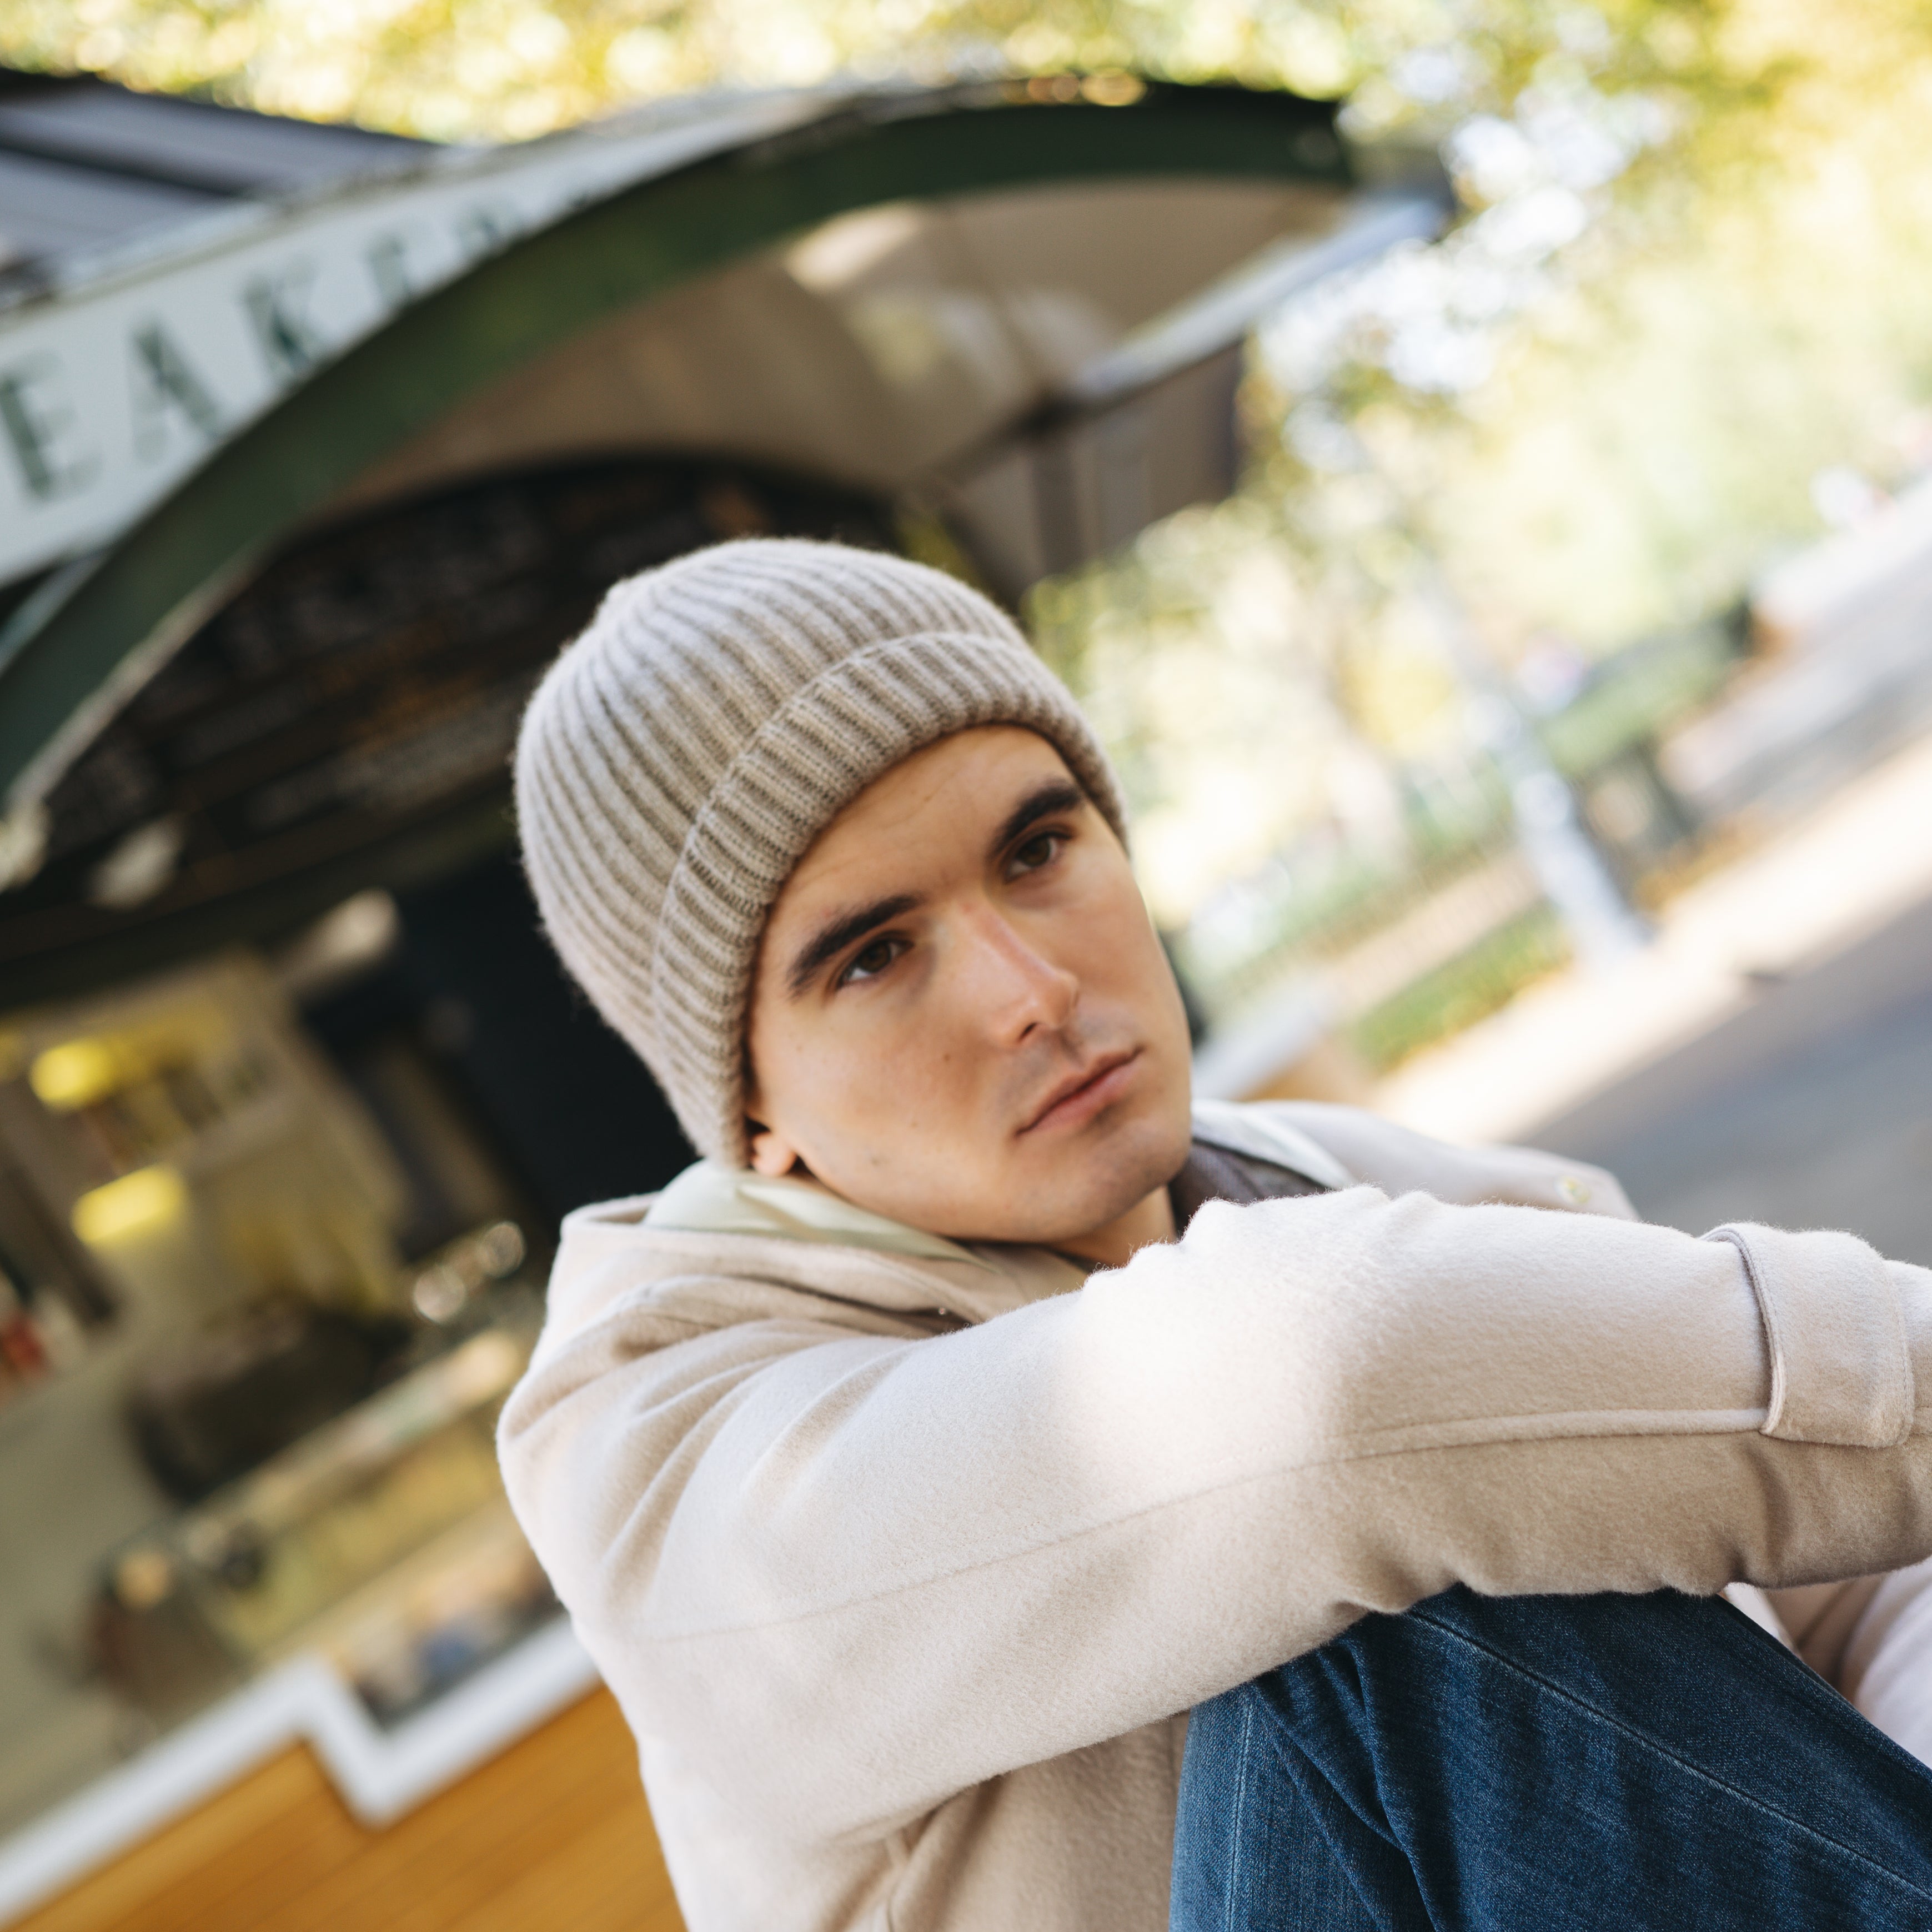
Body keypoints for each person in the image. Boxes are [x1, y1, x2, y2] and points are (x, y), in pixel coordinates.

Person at [501, 538, 1932, 1932]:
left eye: (1039, 847)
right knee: (1380, 1567)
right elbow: (1323, 1395)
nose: (1032, 988)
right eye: (876, 954)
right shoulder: (659, 1449)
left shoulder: (1328, 1182)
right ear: (754, 1117)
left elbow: (1859, 1587)